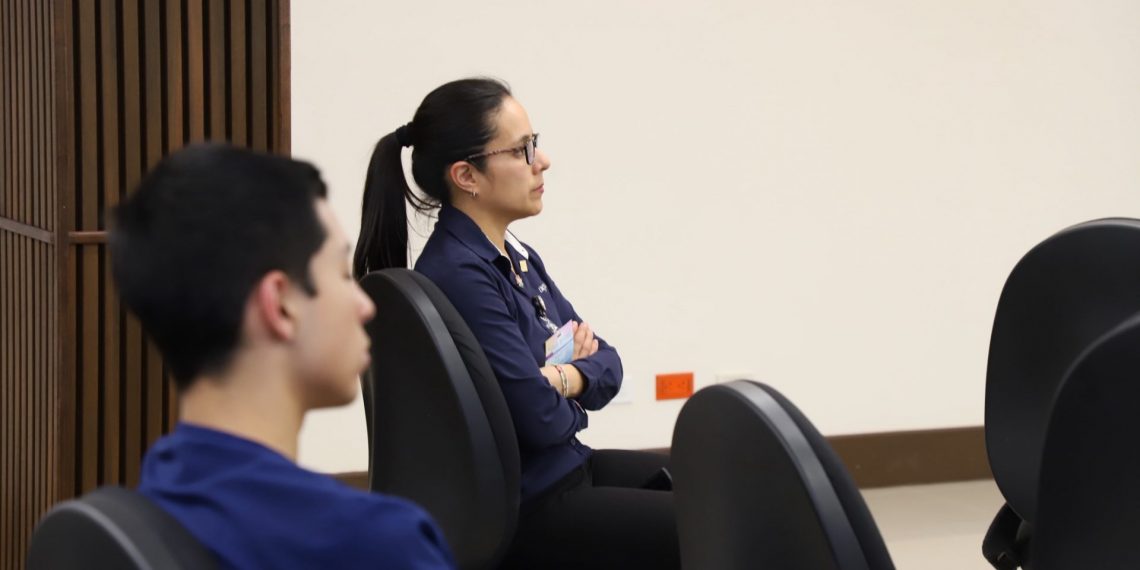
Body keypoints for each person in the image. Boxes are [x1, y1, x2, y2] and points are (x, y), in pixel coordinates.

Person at [354, 78, 680, 569]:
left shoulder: (517, 256)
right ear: (467, 175)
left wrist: (560, 379)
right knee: (716, 526)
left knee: (727, 488)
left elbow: (608, 364)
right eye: (522, 149)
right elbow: (540, 420)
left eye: (535, 143)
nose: (541, 161)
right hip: (532, 505)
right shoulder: (459, 274)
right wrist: (565, 385)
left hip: (569, 467)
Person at [109, 143, 456, 569]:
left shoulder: (145, 499)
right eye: (342, 275)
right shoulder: (381, 545)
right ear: (280, 305)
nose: (365, 306)